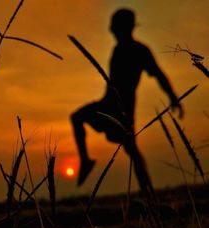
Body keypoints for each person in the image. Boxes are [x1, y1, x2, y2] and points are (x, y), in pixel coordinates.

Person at [71, 9, 183, 193]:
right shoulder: (118, 49)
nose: (111, 30)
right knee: (78, 118)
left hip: (122, 107)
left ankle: (148, 194)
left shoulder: (139, 51)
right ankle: (85, 161)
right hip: (107, 103)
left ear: (124, 28)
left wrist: (173, 97)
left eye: (114, 27)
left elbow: (159, 75)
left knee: (132, 150)